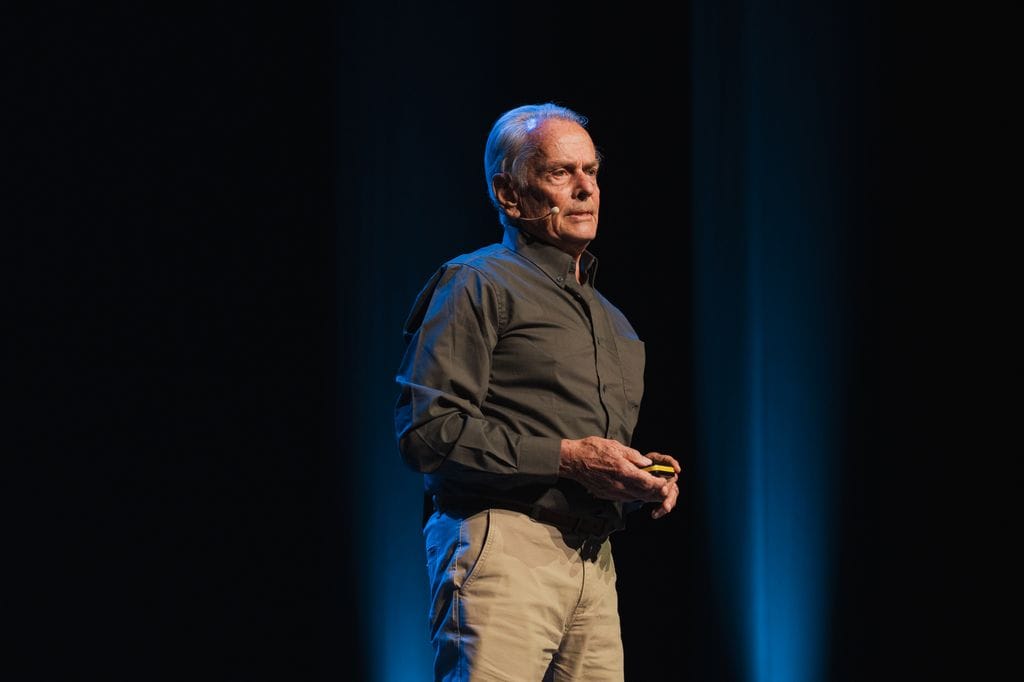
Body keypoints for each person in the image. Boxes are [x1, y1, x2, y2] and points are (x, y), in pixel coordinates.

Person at [394, 103, 681, 681]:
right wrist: (569, 458)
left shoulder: (615, 322)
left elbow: (583, 448)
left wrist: (637, 477)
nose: (584, 189)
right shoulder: (477, 283)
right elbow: (427, 432)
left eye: (592, 172)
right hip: (504, 545)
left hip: (594, 564)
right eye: (559, 173)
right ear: (508, 194)